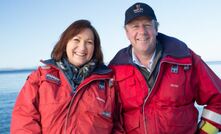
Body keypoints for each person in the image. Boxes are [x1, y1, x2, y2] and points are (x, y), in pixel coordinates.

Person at [109, 2, 221, 134]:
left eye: (147, 25)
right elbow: (110, 117)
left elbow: (218, 101)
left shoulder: (186, 59)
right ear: (127, 33)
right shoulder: (114, 69)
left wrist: (204, 132)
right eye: (135, 26)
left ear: (156, 28)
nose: (142, 32)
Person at [11, 19, 124, 134]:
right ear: (65, 43)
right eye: (76, 40)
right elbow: (23, 120)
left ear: (95, 48)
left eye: (89, 42)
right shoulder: (40, 77)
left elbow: (118, 126)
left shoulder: (108, 84)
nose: (82, 47)